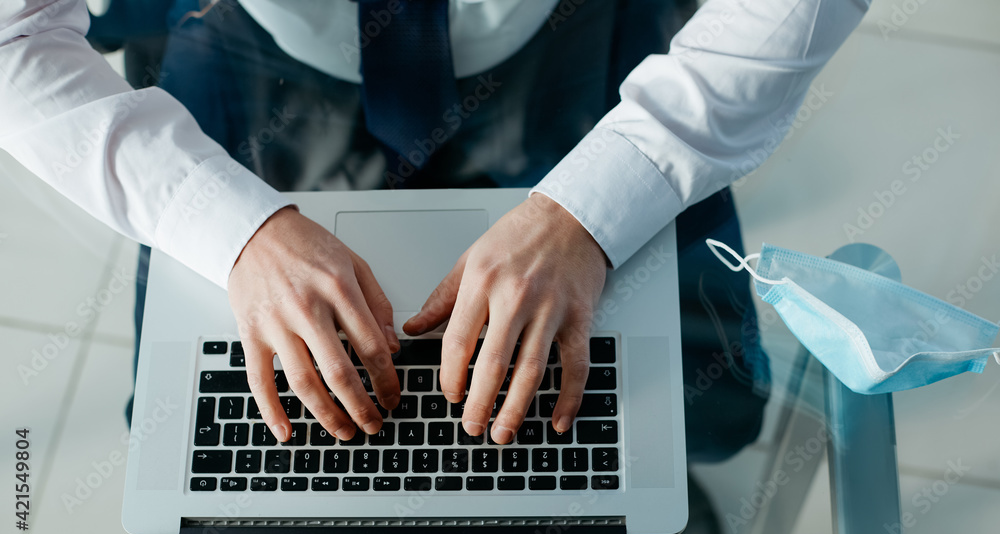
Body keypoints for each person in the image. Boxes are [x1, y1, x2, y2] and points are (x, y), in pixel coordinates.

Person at [0, 0, 869, 462]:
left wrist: (595, 205)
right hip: (256, 44)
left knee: (689, 407)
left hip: (566, 28)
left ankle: (627, 490)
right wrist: (230, 227)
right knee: (218, 421)